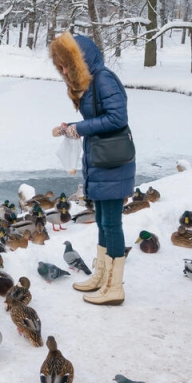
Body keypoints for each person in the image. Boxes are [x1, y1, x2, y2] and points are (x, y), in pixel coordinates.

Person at [49, 31, 135, 306]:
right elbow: (100, 119)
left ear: (79, 60)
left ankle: (114, 287)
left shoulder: (104, 79)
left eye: (66, 64)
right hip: (100, 159)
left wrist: (79, 128)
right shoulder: (91, 82)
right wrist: (71, 129)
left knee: (112, 223)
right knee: (102, 221)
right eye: (59, 65)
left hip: (112, 161)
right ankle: (101, 276)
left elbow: (117, 117)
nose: (62, 70)